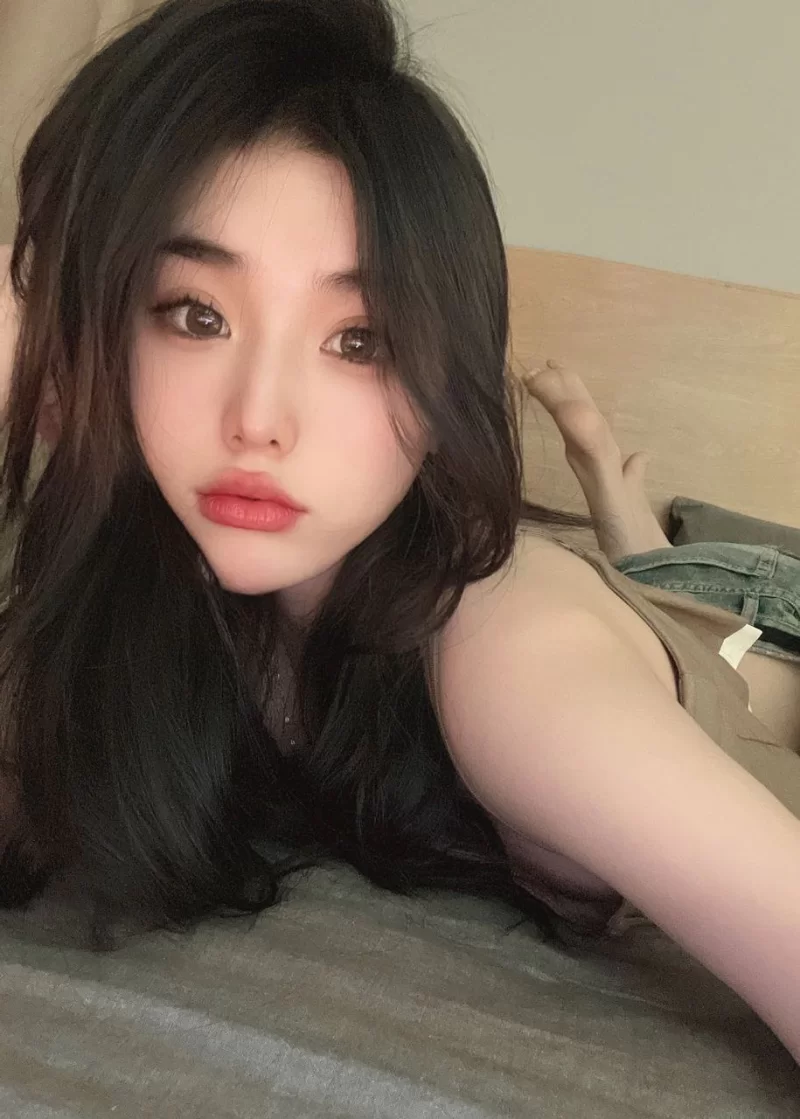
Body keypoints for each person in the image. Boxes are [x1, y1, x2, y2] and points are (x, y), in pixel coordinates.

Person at [0, 0, 799, 1063]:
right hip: (625, 600)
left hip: (760, 620)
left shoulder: (516, 672)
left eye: (358, 339)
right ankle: (626, 530)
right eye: (197, 314)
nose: (258, 420)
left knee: (703, 596)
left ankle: (629, 525)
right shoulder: (144, 602)